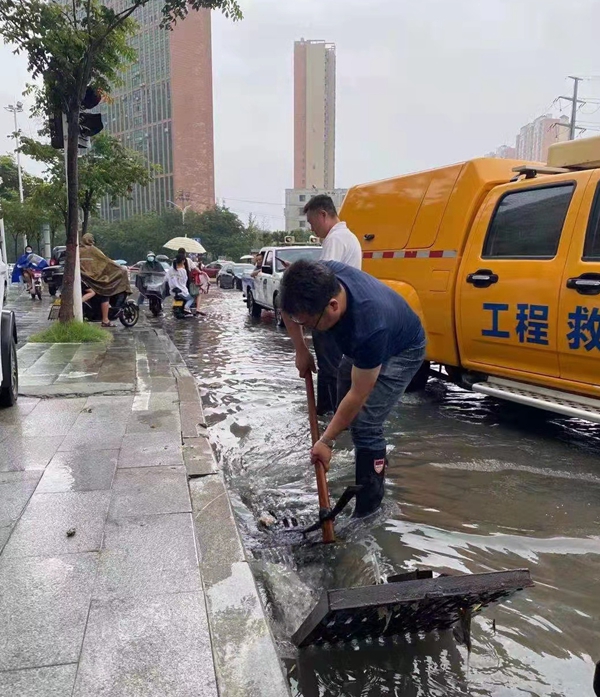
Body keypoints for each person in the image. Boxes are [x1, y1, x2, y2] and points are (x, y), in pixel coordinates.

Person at [280, 259, 426, 518]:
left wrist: (325, 441)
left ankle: (369, 508)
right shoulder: (317, 276)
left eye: (310, 325)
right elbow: (287, 308)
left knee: (366, 424)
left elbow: (359, 393)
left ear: (332, 307)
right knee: (342, 389)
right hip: (368, 340)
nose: (307, 329)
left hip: (403, 349)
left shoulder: (368, 329)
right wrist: (301, 349)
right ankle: (356, 452)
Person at [302, 195, 362, 415]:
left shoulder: (335, 239)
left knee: (330, 369)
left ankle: (330, 418)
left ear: (323, 214)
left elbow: (324, 279)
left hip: (331, 315)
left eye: (311, 222)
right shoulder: (347, 237)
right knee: (335, 367)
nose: (311, 228)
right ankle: (331, 415)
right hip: (343, 313)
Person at [79, 233, 131, 327]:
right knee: (105, 294)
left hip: (81, 279)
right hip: (93, 280)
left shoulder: (78, 250)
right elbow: (106, 261)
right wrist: (120, 269)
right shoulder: (93, 250)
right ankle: (105, 320)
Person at [167, 248, 195, 314]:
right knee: (191, 299)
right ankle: (186, 307)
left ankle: (175, 307)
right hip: (182, 290)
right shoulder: (183, 270)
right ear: (182, 261)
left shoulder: (170, 269)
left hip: (173, 290)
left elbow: (167, 278)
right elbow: (184, 281)